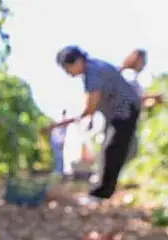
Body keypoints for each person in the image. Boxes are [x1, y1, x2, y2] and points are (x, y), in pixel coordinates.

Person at [44, 46, 141, 200]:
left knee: (112, 150)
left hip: (125, 111)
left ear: (77, 61)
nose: (68, 73)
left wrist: (67, 121)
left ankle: (101, 193)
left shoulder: (92, 73)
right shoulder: (95, 67)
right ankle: (102, 190)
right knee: (109, 149)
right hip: (118, 114)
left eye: (67, 68)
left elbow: (90, 107)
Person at [49, 109, 68, 175]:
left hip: (59, 140)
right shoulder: (56, 119)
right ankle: (58, 170)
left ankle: (60, 171)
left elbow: (64, 130)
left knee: (59, 156)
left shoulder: (64, 119)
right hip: (55, 140)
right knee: (57, 156)